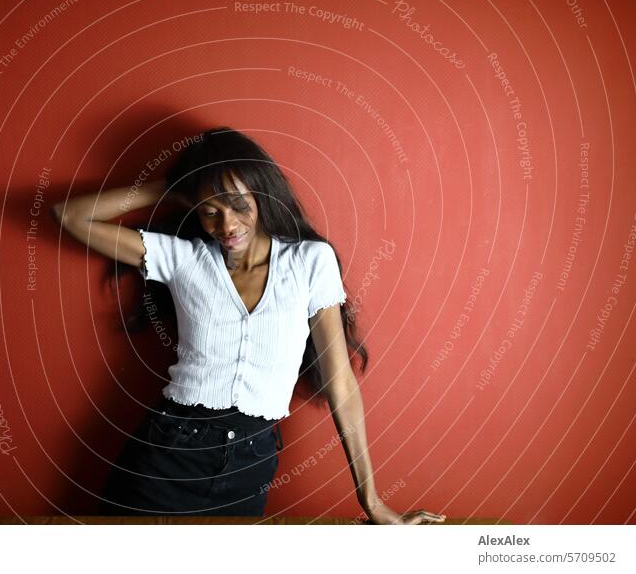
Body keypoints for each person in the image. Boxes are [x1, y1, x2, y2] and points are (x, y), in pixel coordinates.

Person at [51, 127, 446, 524]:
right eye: (210, 210)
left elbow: (340, 383)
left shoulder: (311, 262)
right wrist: (175, 186)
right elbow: (69, 214)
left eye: (238, 204)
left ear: (262, 194)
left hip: (250, 466)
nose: (227, 224)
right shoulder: (181, 257)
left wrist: (372, 502)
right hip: (167, 454)